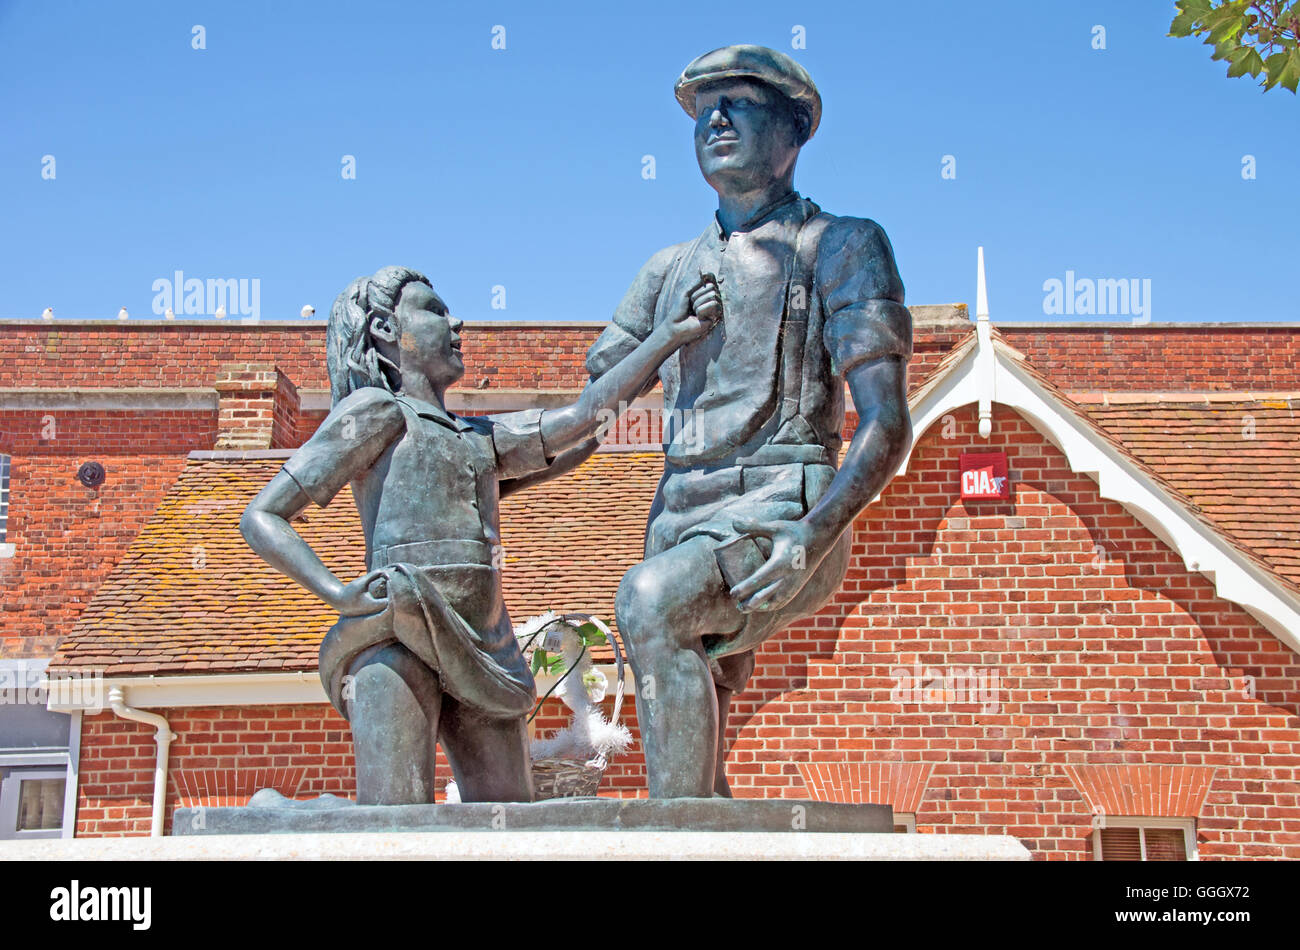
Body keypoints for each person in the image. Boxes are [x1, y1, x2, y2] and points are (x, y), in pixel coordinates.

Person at [240, 265, 719, 804]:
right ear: (383, 328)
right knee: (394, 823)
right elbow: (262, 516)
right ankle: (284, 814)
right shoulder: (377, 413)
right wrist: (336, 592)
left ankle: (302, 813)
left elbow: (586, 419)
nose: (456, 322)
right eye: (434, 310)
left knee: (509, 821)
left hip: (487, 652)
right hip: (397, 636)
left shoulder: (481, 439)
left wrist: (670, 338)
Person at [584, 46, 915, 797]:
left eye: (740, 102)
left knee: (650, 601)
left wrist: (815, 531)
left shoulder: (843, 244)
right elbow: (597, 397)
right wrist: (666, 334)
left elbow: (886, 421)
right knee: (693, 683)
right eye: (705, 109)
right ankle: (705, 815)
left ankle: (681, 837)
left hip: (785, 509)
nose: (717, 119)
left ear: (796, 128)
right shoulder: (667, 269)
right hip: (678, 514)